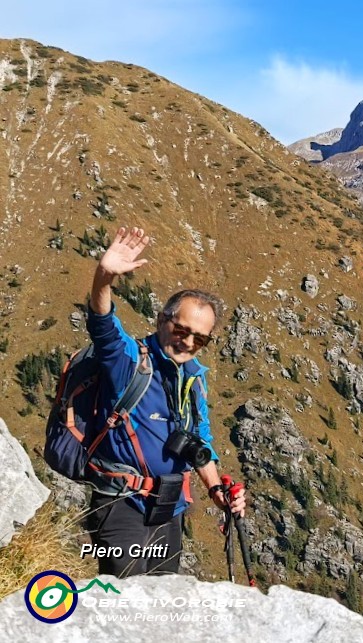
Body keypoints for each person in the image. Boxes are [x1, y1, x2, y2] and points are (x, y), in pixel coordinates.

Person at [85, 225, 245, 577]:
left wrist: (216, 489)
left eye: (199, 339)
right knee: (126, 599)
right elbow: (103, 324)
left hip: (169, 508)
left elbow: (200, 440)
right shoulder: (128, 360)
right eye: (181, 330)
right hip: (121, 503)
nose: (188, 343)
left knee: (161, 599)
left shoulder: (194, 378)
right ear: (162, 320)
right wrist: (104, 278)